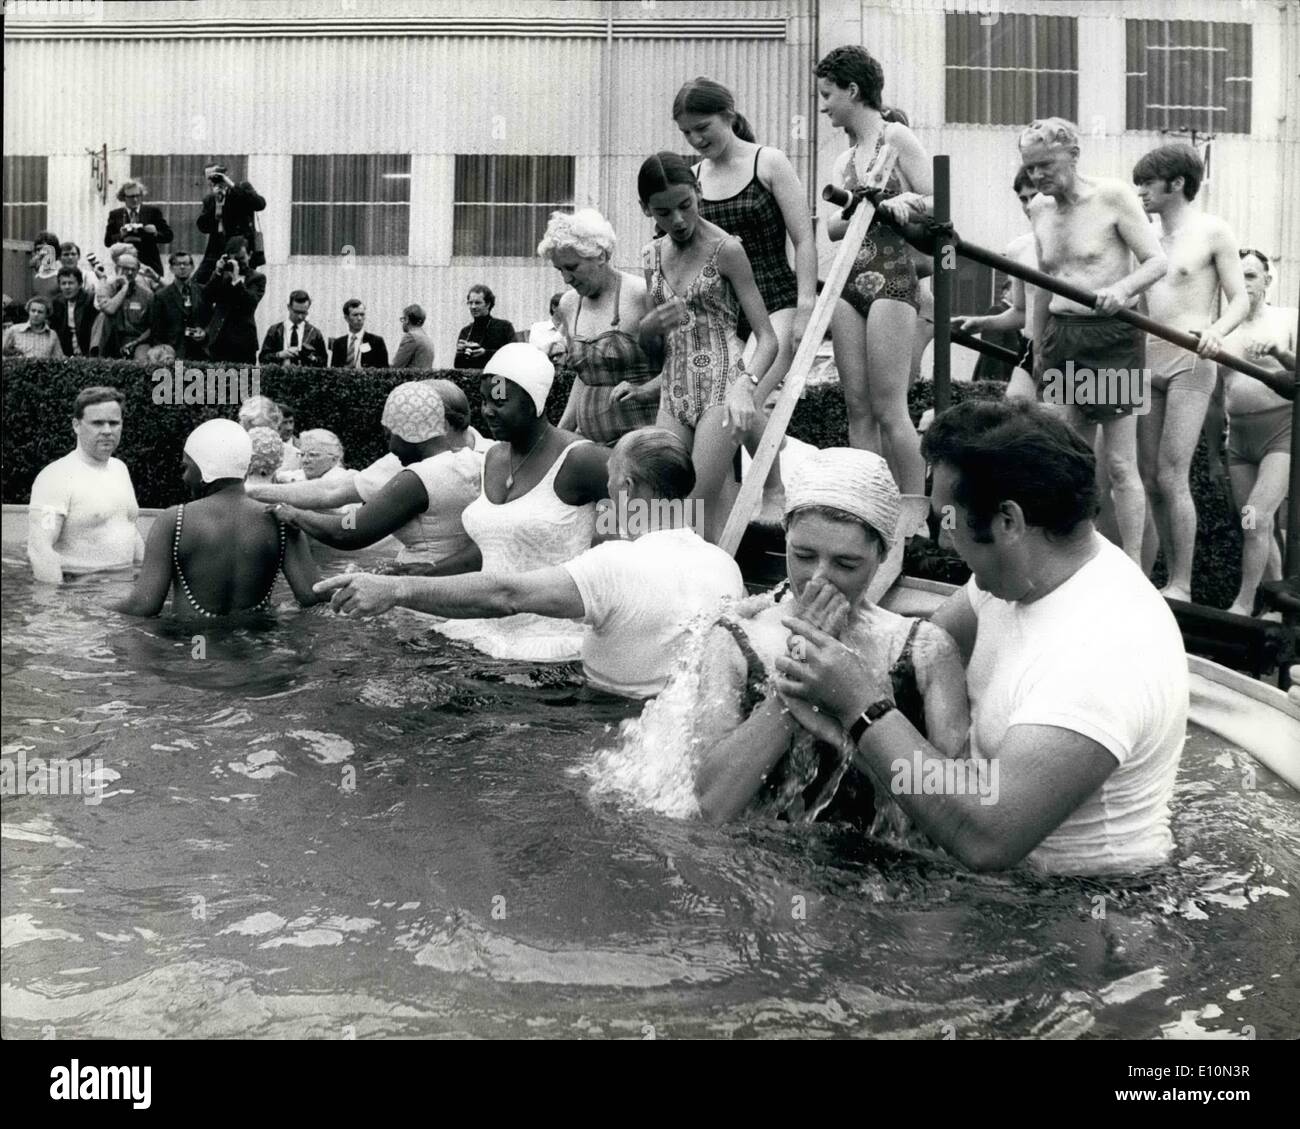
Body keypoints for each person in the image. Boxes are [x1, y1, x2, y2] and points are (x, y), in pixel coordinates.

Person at [779, 400, 1188, 874]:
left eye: (949, 521)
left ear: (1008, 522)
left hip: (1070, 901)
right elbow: (917, 644)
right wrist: (780, 616)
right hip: (979, 859)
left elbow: (987, 840)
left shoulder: (1100, 657)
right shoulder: (1023, 571)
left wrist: (860, 708)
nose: (943, 541)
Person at [318, 429, 747, 698]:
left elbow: (506, 595)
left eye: (610, 481)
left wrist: (395, 590)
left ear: (626, 486)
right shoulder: (724, 565)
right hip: (671, 715)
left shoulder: (615, 563)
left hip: (600, 717)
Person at [684, 447, 968, 825]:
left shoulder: (925, 649)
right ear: (785, 537)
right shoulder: (737, 638)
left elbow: (957, 813)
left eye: (846, 564)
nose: (819, 578)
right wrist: (791, 694)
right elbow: (711, 806)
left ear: (882, 555)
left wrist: (851, 731)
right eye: (803, 555)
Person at [1020, 117, 1167, 565]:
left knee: (1120, 465)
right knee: (1073, 460)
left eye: (1045, 165)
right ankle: (1077, 557)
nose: (1038, 177)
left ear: (1073, 154)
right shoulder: (1040, 210)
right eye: (1031, 168)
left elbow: (1156, 262)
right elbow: (1043, 280)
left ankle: (1136, 568)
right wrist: (1037, 342)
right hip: (1063, 338)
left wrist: (1123, 290)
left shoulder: (1112, 197)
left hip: (1110, 339)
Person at [675, 77, 818, 501]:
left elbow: (804, 237)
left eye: (703, 127)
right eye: (686, 132)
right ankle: (737, 492)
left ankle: (774, 491)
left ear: (729, 117)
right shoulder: (694, 177)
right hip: (721, 311)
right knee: (720, 405)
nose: (696, 138)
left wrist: (807, 305)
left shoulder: (768, 162)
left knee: (744, 397)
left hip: (774, 299)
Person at [427, 343, 611, 660]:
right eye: (483, 400)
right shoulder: (494, 458)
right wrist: (425, 573)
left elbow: (656, 515)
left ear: (535, 402)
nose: (486, 411)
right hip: (484, 631)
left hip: (553, 643)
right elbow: (495, 544)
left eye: (499, 401)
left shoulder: (582, 459)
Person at [638, 152, 779, 543]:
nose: (678, 220)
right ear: (646, 209)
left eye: (686, 205)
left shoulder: (727, 249)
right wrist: (646, 330)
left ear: (699, 192)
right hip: (674, 391)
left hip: (722, 383)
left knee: (693, 507)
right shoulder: (650, 258)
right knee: (657, 507)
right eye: (664, 212)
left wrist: (746, 384)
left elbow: (768, 337)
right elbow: (655, 348)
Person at [1131, 144, 1249, 600]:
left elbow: (1238, 297)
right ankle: (1151, 578)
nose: (1140, 192)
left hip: (1191, 357)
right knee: (1146, 477)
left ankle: (1182, 582)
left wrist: (1217, 333)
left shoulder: (1213, 230)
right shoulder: (1146, 238)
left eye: (1147, 184)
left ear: (1176, 183)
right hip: (1148, 358)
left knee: (1172, 472)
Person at [817, 46, 932, 497]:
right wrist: (866, 205)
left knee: (890, 408)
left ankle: (914, 509)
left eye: (828, 94)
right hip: (849, 280)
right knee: (857, 409)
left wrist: (907, 201)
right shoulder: (843, 161)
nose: (823, 104)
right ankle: (868, 502)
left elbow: (938, 197)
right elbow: (830, 227)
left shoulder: (896, 137)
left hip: (891, 277)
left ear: (853, 89)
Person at [113, 419, 321, 618]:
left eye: (186, 468)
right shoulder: (281, 520)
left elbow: (143, 606)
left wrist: (92, 605)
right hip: (257, 649)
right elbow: (312, 596)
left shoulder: (174, 521)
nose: (184, 477)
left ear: (203, 470)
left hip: (191, 647)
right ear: (246, 470)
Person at [270, 381, 483, 568]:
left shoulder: (417, 478)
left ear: (410, 431)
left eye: (390, 434)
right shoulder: (475, 461)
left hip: (419, 597)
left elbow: (349, 529)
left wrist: (295, 514)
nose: (390, 446)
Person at [1211, 249, 1296, 616]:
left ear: (1266, 280)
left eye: (1251, 276)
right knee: (1252, 522)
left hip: (1282, 432)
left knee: (1256, 517)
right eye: (1238, 275)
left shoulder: (1288, 319)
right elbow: (1215, 400)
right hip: (1240, 441)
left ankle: (1245, 603)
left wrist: (1279, 353)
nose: (1244, 283)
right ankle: (1279, 609)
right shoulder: (1222, 329)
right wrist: (1215, 454)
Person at [540, 209, 661, 446]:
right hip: (592, 445)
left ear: (601, 256)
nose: (566, 278)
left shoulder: (641, 294)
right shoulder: (568, 304)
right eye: (559, 270)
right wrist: (560, 434)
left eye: (572, 267)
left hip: (645, 443)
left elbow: (679, 368)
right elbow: (588, 376)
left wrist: (644, 389)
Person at [28, 386, 144, 583]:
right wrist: (52, 607)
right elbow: (39, 548)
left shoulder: (120, 469)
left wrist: (144, 575)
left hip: (123, 585)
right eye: (97, 423)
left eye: (114, 423)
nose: (107, 430)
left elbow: (130, 530)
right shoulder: (56, 477)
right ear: (76, 425)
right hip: (79, 591)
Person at [952, 168, 1040, 401]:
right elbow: (1022, 312)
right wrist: (982, 322)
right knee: (1017, 405)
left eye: (1035, 196)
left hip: (1081, 341)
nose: (1030, 206)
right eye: (1024, 199)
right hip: (1036, 347)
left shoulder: (1079, 240)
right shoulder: (1018, 248)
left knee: (1079, 422)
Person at [196, 165, 266, 284]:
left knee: (239, 284)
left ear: (226, 175)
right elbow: (203, 227)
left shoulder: (241, 189)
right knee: (200, 281)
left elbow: (260, 204)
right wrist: (216, 203)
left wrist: (231, 185)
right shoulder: (210, 199)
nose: (213, 181)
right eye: (209, 178)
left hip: (240, 250)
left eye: (217, 176)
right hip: (217, 249)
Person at [202, 236, 265, 364]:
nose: (238, 263)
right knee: (216, 382)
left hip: (243, 342)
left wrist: (236, 280)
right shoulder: (222, 276)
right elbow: (206, 297)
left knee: (244, 382)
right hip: (219, 340)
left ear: (250, 254)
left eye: (241, 258)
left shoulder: (257, 278)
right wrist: (217, 272)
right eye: (234, 259)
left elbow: (250, 302)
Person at [104, 180, 173, 276]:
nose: (135, 199)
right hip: (126, 266)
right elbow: (107, 242)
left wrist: (155, 232)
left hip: (150, 265)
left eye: (138, 195)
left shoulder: (152, 212)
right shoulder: (115, 215)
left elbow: (169, 236)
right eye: (131, 196)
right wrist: (120, 235)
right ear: (123, 197)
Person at [149, 251, 210, 361]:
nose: (182, 267)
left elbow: (211, 320)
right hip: (173, 354)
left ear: (192, 267)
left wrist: (204, 332)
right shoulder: (161, 296)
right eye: (178, 264)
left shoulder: (203, 291)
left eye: (186, 264)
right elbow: (156, 331)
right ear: (171, 268)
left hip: (200, 353)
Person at [97, 252, 154, 360]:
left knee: (142, 361)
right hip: (111, 338)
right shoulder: (107, 288)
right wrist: (124, 288)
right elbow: (109, 309)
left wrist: (136, 342)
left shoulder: (147, 295)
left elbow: (152, 326)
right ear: (116, 268)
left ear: (138, 271)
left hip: (138, 340)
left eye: (133, 269)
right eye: (125, 268)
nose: (129, 272)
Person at [259, 289, 328, 367]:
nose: (300, 316)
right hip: (279, 377)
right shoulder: (274, 330)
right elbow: (262, 359)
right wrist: (279, 355)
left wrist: (310, 357)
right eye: (296, 312)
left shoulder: (315, 333)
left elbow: (324, 362)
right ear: (289, 307)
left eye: (304, 312)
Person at [454, 284, 515, 369]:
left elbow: (514, 356)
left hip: (497, 379)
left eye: (477, 303)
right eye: (470, 303)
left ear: (488, 304)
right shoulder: (465, 331)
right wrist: (460, 353)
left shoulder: (504, 327)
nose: (473, 307)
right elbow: (458, 366)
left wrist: (485, 353)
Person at [237, 395, 301, 475]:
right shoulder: (235, 454)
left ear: (275, 425)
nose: (258, 436)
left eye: (264, 430)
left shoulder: (294, 456)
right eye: (253, 430)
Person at [329, 299, 389, 368]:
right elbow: (334, 370)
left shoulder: (376, 342)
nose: (359, 318)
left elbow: (384, 369)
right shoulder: (338, 343)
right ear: (346, 318)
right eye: (355, 315)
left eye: (362, 314)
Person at [51, 268, 97, 358]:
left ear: (80, 284)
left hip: (87, 350)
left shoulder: (90, 300)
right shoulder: (57, 302)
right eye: (63, 283)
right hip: (67, 351)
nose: (67, 287)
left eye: (71, 283)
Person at [392, 303, 436, 368]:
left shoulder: (411, 337)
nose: (402, 323)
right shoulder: (427, 338)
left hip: (410, 378)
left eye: (403, 319)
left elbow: (397, 366)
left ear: (407, 320)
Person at [527, 292, 567, 361]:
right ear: (554, 307)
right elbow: (538, 354)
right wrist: (560, 333)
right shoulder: (537, 327)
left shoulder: (572, 329)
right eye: (565, 307)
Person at [28, 231, 62, 305]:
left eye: (46, 249)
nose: (41, 253)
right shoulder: (37, 276)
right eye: (38, 249)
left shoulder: (61, 274)